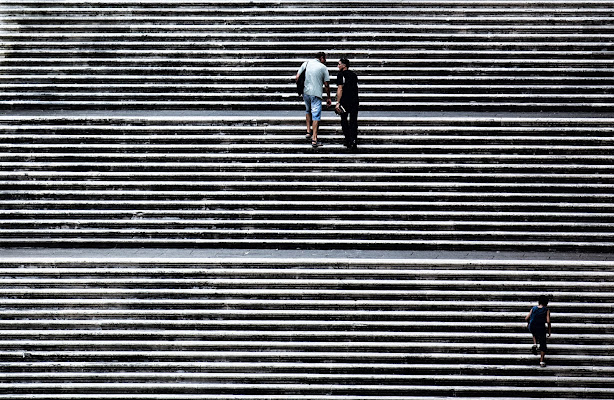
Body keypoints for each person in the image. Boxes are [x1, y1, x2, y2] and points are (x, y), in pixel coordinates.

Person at [296, 52, 332, 147]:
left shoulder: (306, 63)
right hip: (316, 93)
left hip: (306, 92)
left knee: (308, 110)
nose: (325, 61)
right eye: (325, 59)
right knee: (316, 115)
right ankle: (314, 139)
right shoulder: (323, 67)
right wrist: (328, 97)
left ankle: (308, 131)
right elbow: (326, 84)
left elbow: (297, 77)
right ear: (321, 58)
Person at [335, 57, 359, 151]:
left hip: (345, 101)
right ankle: (354, 140)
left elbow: (340, 88)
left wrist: (337, 102)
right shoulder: (353, 75)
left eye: (339, 64)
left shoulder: (341, 75)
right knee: (353, 120)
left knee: (344, 120)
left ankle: (348, 140)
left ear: (344, 65)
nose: (338, 66)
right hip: (354, 100)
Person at [525, 295, 551, 367]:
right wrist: (549, 331)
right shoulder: (546, 310)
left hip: (532, 326)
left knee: (534, 330)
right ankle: (541, 361)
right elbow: (548, 321)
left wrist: (528, 323)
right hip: (541, 328)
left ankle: (535, 343)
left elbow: (526, 318)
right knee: (543, 343)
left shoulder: (533, 308)